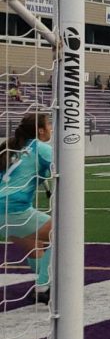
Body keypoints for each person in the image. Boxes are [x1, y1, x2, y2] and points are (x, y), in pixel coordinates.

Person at [0, 113, 54, 302]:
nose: (51, 128)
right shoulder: (41, 148)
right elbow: (61, 170)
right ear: (40, 130)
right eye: (49, 125)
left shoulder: (11, 146)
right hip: (15, 208)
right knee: (63, 234)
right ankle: (43, 287)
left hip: (3, 212)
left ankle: (45, 279)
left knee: (35, 246)